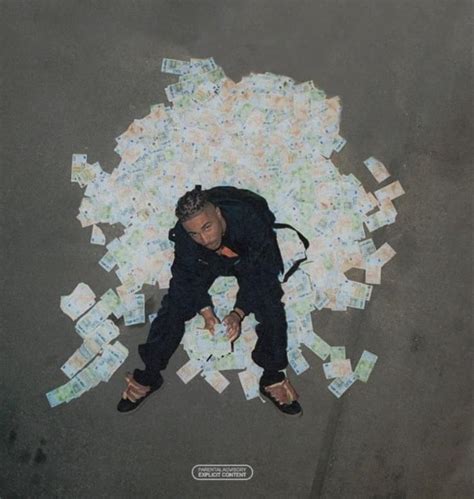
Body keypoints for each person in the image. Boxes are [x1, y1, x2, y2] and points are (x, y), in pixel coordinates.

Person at [117, 185, 302, 416]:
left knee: (270, 301)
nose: (204, 239)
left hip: (246, 256)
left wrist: (238, 313)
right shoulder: (186, 234)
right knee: (175, 301)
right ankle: (149, 373)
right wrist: (205, 311)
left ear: (218, 213)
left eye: (207, 227)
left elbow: (262, 275)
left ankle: (272, 375)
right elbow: (184, 276)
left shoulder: (250, 221)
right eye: (194, 233)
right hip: (208, 262)